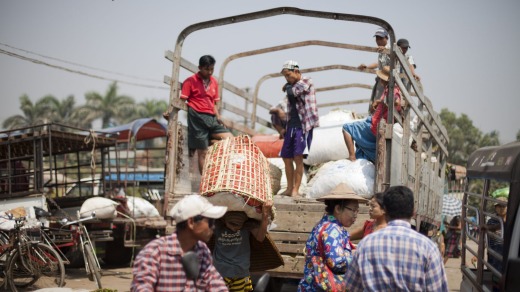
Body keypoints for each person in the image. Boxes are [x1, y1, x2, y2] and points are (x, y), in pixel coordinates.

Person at [345, 185, 448, 292]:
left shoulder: (366, 244)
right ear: (413, 212)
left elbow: (351, 286)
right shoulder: (428, 248)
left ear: (385, 210)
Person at [131, 195, 228, 292]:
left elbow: (215, 283)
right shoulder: (155, 251)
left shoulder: (202, 250)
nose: (213, 227)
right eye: (210, 222)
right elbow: (141, 287)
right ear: (191, 222)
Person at [298, 183, 368, 291]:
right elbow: (337, 262)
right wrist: (356, 255)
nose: (355, 215)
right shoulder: (332, 230)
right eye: (353, 210)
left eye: (357, 211)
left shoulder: (322, 224)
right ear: (338, 208)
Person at [180, 55, 234, 174]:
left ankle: (211, 141)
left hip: (211, 117)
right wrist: (171, 113)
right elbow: (182, 100)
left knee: (230, 139)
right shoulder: (190, 81)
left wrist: (218, 117)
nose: (210, 72)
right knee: (202, 152)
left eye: (212, 69)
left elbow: (214, 102)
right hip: (197, 117)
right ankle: (205, 183)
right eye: (207, 69)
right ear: (199, 67)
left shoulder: (214, 82)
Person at [342, 65, 401, 163]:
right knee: (359, 146)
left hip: (375, 127)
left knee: (346, 128)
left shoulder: (393, 91)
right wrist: (379, 102)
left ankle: (352, 157)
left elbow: (397, 101)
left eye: (381, 79)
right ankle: (360, 158)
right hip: (375, 124)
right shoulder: (389, 90)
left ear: (385, 80)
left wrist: (384, 102)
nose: (380, 81)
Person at [279, 60, 319, 198]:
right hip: (292, 125)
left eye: (288, 75)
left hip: (304, 126)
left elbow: (292, 93)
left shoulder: (307, 81)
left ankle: (296, 190)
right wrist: (288, 85)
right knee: (286, 156)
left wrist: (287, 86)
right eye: (285, 76)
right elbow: (289, 91)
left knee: (298, 157)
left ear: (296, 71)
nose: (287, 78)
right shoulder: (292, 84)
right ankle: (289, 188)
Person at [213, 200, 273, 291]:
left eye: (238, 225)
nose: (234, 228)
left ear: (244, 223)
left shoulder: (247, 226)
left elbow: (260, 237)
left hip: (240, 273)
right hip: (220, 273)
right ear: (224, 221)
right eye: (231, 224)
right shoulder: (217, 225)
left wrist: (265, 215)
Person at [358, 28, 391, 112]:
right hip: (381, 81)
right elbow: (378, 63)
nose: (378, 41)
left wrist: (386, 51)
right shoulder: (381, 50)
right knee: (376, 103)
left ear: (386, 38)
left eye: (381, 38)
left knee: (383, 104)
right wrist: (367, 67)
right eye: (377, 38)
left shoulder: (390, 49)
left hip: (389, 81)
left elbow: (395, 61)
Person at [486, 196, 508, 273]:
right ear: (495, 207)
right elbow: (489, 228)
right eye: (499, 206)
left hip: (507, 250)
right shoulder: (492, 220)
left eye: (503, 206)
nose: (501, 208)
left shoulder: (512, 219)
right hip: (495, 251)